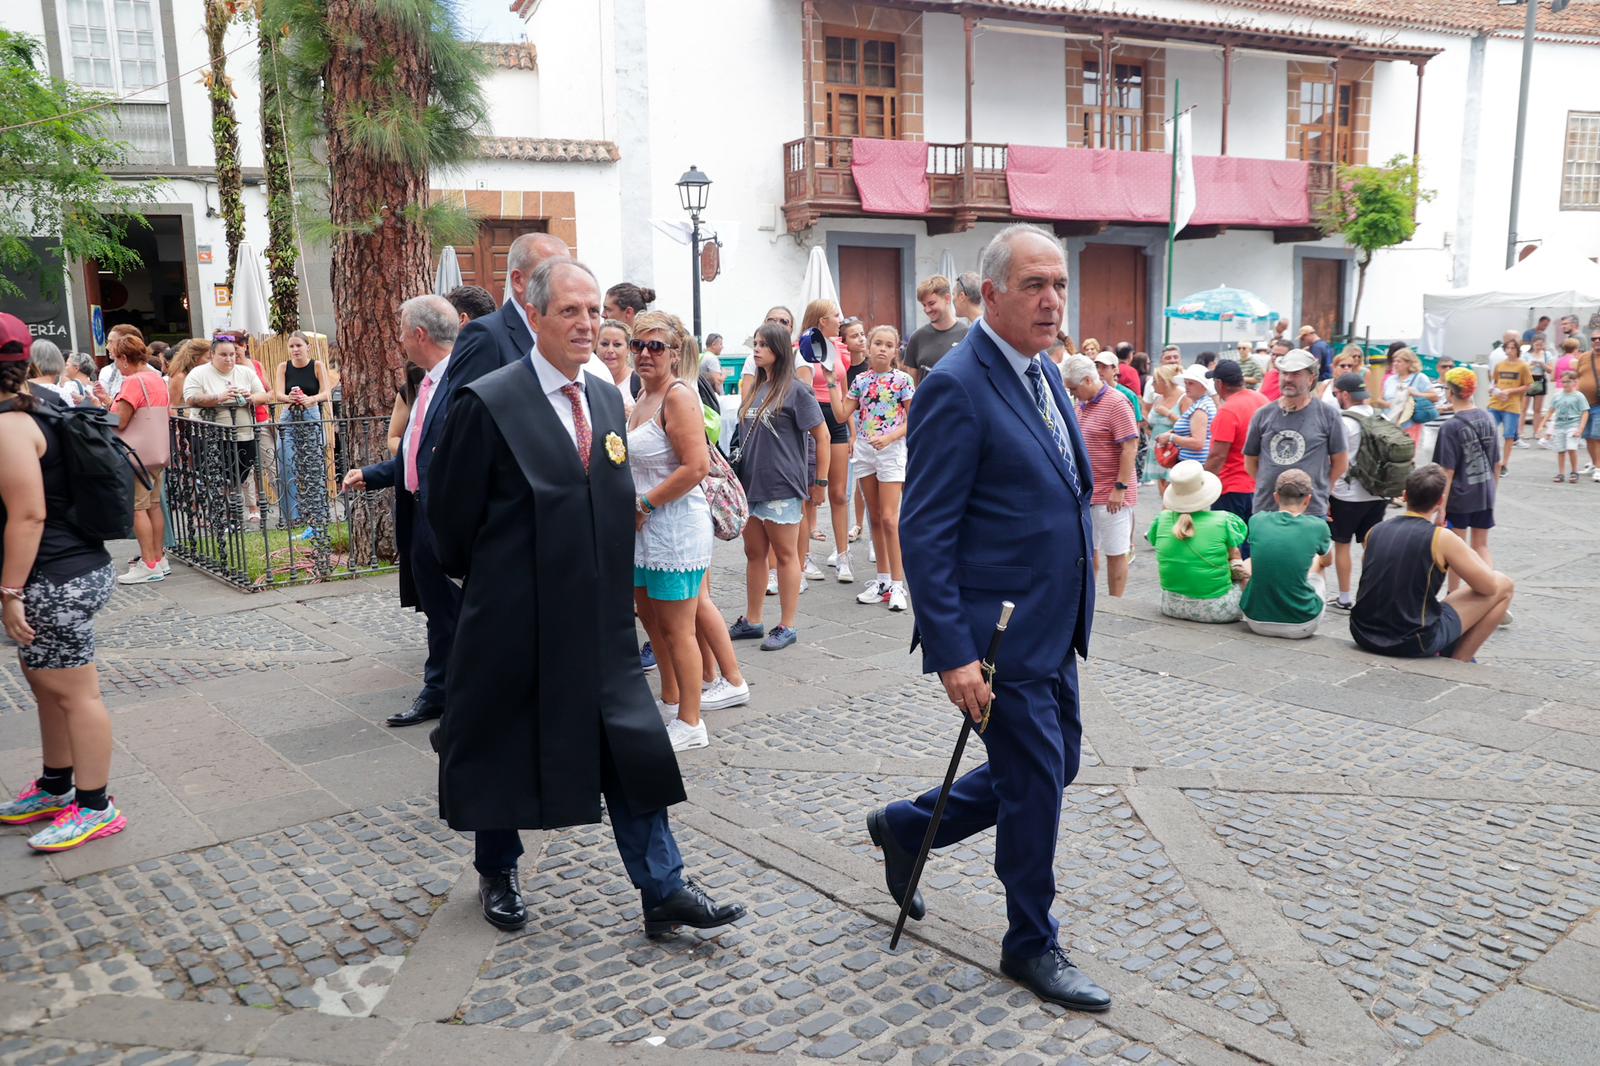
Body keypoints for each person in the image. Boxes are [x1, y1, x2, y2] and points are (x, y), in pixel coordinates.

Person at [425, 257, 746, 937]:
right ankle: (498, 870)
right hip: (512, 615)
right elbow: (450, 524)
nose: (587, 323)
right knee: (500, 740)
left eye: (595, 311)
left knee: (632, 748)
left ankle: (663, 888)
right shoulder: (488, 401)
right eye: (570, 310)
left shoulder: (606, 399)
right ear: (533, 313)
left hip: (598, 617)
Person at [872, 224, 1107, 1012]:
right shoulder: (959, 382)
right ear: (994, 293)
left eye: (1061, 285)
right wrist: (954, 653)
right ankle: (1030, 943)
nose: (1052, 301)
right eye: (1036, 286)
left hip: (1051, 622)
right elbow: (925, 528)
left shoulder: (1042, 374)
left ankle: (911, 826)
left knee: (1053, 766)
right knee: (1037, 784)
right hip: (998, 636)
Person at [0, 316, 122, 852]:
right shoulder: (40, 403)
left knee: (75, 694)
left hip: (54, 578)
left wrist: (9, 594)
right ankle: (55, 786)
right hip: (65, 570)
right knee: (45, 684)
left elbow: (27, 516)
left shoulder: (9, 426)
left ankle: (95, 805)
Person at [341, 297, 462, 729]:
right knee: (438, 612)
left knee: (455, 612)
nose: (398, 340)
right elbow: (416, 456)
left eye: (402, 331)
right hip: (418, 514)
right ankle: (439, 691)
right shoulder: (425, 383)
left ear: (420, 335)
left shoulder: (458, 385)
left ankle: (457, 695)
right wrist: (373, 474)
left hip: (445, 521)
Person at [622, 311, 714, 751]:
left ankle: (692, 722)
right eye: (637, 345)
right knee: (652, 622)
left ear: (674, 354)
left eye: (655, 346)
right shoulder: (643, 396)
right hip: (642, 530)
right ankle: (672, 699)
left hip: (673, 528)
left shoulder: (678, 396)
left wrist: (645, 503)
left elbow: (697, 466)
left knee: (679, 628)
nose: (644, 354)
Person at [728, 323, 829, 651]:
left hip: (782, 485)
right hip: (751, 485)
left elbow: (822, 436)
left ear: (779, 350)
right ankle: (753, 620)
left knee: (786, 556)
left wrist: (820, 481)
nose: (756, 350)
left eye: (763, 345)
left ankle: (788, 624)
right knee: (754, 554)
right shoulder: (757, 387)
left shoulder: (797, 390)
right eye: (754, 343)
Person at [1350, 465, 1514, 662]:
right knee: (1504, 585)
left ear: (1404, 495)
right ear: (1440, 502)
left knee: (1439, 604)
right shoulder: (1441, 537)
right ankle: (1459, 661)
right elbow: (1488, 587)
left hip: (1363, 633)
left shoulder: (1375, 531)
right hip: (1412, 640)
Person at [830, 325, 913, 611]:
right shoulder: (861, 380)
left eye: (888, 345)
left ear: (895, 350)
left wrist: (889, 437)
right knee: (875, 518)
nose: (882, 348)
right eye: (877, 342)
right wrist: (832, 381)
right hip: (865, 450)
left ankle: (899, 585)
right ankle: (883, 581)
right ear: (868, 347)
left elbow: (914, 420)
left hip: (890, 450)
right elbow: (842, 414)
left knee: (890, 519)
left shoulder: (902, 381)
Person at [449, 232, 575, 388]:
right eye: (549, 274)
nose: (562, 284)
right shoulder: (486, 336)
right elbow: (465, 408)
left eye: (566, 274)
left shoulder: (567, 332)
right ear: (518, 280)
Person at [1243, 349, 1349, 521]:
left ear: (1311, 378)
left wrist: (1322, 492)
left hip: (1310, 510)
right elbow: (1250, 462)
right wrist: (1267, 485)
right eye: (1284, 373)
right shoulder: (1263, 414)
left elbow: (1340, 463)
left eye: (1296, 374)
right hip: (1267, 508)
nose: (1288, 379)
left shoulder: (1328, 415)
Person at [1063, 355, 1137, 598]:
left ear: (1087, 380)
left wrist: (1120, 487)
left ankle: (1116, 600)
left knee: (1116, 551)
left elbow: (1130, 446)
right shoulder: (1081, 406)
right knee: (1088, 549)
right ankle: (1089, 598)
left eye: (1074, 388)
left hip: (1111, 492)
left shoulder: (1117, 402)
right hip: (1088, 491)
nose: (1073, 394)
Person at [183, 334, 271, 530]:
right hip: (210, 435)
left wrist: (251, 397)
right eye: (223, 355)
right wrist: (218, 397)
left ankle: (232, 519)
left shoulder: (245, 372)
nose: (229, 359)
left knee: (236, 480)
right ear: (212, 354)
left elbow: (265, 394)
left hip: (243, 434)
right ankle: (219, 518)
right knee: (215, 478)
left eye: (232, 354)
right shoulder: (198, 373)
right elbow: (190, 398)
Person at [1146, 460, 1248, 623]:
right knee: (1248, 563)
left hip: (1171, 605)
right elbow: (1235, 560)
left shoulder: (1162, 519)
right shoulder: (1223, 520)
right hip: (1216, 609)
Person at [795, 299, 852, 584]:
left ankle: (843, 556)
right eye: (835, 315)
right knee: (809, 494)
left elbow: (843, 391)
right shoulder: (803, 352)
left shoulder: (837, 350)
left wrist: (850, 429)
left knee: (840, 494)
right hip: (813, 421)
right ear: (821, 322)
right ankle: (804, 558)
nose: (841, 319)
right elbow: (803, 393)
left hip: (837, 421)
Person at [1240, 469, 1332, 639]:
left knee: (1248, 561)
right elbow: (1328, 561)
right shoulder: (1318, 526)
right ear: (1308, 500)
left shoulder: (1256, 520)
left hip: (1255, 622)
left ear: (1276, 496)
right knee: (1319, 562)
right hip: (1302, 624)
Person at [1433, 367, 1500, 596]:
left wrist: (1440, 507)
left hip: (1460, 496)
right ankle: (1490, 590)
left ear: (1451, 393)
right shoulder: (1487, 417)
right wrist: (1492, 491)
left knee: (1457, 550)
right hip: (1485, 491)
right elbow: (1497, 463)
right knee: (1481, 545)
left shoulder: (1451, 426)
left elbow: (1446, 472)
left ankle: (1454, 595)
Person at [109, 334, 171, 583]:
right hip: (156, 453)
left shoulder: (133, 382)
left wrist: (102, 411)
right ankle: (159, 558)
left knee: (137, 508)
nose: (116, 364)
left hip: (135, 456)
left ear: (124, 358)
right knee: (154, 505)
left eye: (116, 359)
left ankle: (148, 564)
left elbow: (121, 421)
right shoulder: (156, 379)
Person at [1325, 373, 1388, 611]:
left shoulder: (1344, 422)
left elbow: (1333, 461)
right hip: (1378, 493)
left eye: (1336, 393)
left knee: (1342, 545)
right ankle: (1370, 594)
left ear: (1345, 394)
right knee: (1370, 546)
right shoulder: (1381, 416)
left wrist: (1326, 493)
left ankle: (1344, 597)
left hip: (1346, 494)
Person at [1203, 359, 1269, 554]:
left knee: (1232, 547)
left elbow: (1217, 456)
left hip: (1232, 487)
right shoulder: (1262, 400)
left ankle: (1238, 583)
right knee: (1254, 544)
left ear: (1219, 384)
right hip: (1259, 485)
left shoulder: (1228, 410)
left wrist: (1202, 483)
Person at [272, 331, 332, 534]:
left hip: (311, 413)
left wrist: (311, 398)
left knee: (314, 463)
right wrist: (290, 397)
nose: (295, 350)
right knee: (285, 461)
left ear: (308, 347)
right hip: (289, 414)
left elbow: (326, 392)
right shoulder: (283, 367)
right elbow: (277, 393)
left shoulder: (317, 365)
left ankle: (317, 512)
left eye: (298, 345)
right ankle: (292, 517)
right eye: (292, 346)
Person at [904, 275, 969, 383]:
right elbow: (910, 386)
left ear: (947, 299)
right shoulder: (917, 338)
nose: (927, 310)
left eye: (931, 303)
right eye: (924, 305)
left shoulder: (967, 334)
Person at [1536, 370, 1590, 483]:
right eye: (1563, 382)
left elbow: (1585, 412)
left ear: (1574, 382)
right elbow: (1550, 411)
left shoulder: (1579, 396)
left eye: (1568, 382)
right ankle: (1561, 473)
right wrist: (1542, 425)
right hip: (1560, 426)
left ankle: (1574, 472)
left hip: (1573, 424)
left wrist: (1580, 429)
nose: (1565, 384)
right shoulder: (1557, 396)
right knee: (1560, 450)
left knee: (1571, 448)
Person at [1488, 337, 1532, 473]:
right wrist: (1492, 389)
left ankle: (1504, 464)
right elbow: (1494, 381)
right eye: (1507, 348)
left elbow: (1529, 386)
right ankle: (1491, 460)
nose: (1509, 350)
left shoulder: (1523, 366)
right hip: (1495, 403)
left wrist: (1511, 391)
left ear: (1517, 350)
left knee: (1509, 436)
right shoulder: (1500, 365)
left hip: (1512, 405)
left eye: (1513, 348)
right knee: (1489, 432)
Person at [1156, 364, 1215, 464]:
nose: (1187, 386)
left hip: (1194, 465)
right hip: (1194, 464)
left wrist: (1171, 437)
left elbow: (1198, 443)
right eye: (1186, 383)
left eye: (1191, 383)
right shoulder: (1202, 404)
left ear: (1203, 386)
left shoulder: (1200, 408)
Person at [1143, 363, 1183, 492]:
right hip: (1158, 449)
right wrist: (1147, 428)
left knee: (1172, 490)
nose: (1152, 384)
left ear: (1165, 382)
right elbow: (1150, 421)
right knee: (1163, 490)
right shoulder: (1158, 398)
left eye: (1155, 381)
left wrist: (1168, 413)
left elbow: (1187, 424)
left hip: (1173, 450)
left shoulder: (1183, 398)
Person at [596, 318, 635, 416]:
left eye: (617, 345)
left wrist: (634, 417)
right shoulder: (584, 381)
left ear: (628, 349)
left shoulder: (640, 382)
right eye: (604, 344)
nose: (610, 350)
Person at [165, 339, 206, 408]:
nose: (211, 360)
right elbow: (172, 406)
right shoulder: (180, 377)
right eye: (208, 357)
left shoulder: (202, 373)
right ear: (196, 358)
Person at [1526, 335, 1551, 433]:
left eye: (1541, 344)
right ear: (1532, 344)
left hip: (1540, 378)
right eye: (1537, 344)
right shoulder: (1527, 354)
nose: (1539, 347)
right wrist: (1530, 365)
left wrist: (1542, 364)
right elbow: (1523, 368)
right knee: (1524, 407)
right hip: (1529, 379)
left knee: (1537, 409)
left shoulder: (1546, 354)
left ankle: (1536, 431)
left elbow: (1550, 370)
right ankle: (1520, 432)